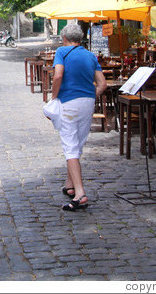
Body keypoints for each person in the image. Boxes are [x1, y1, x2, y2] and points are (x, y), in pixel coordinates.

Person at [50, 23, 107, 211]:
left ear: (65, 38)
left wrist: (54, 98)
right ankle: (70, 185)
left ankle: (80, 193)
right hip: (87, 102)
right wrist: (90, 96)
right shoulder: (91, 55)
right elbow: (102, 84)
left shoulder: (62, 52)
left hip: (69, 102)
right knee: (78, 143)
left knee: (70, 146)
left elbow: (58, 76)